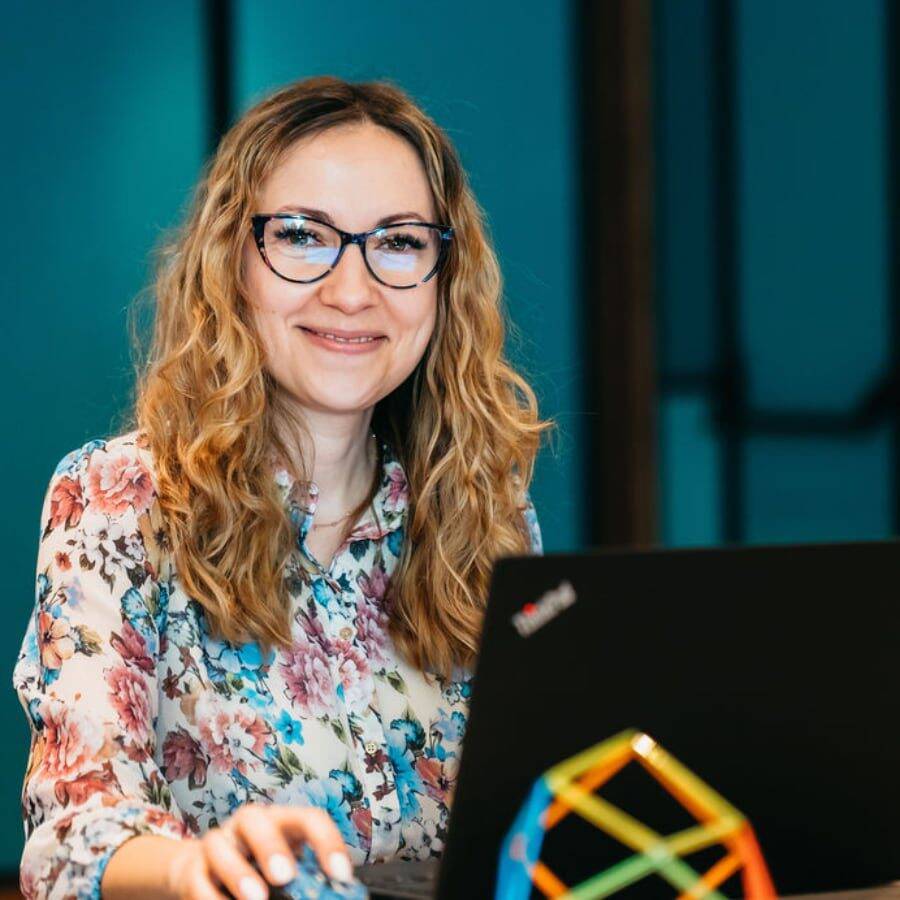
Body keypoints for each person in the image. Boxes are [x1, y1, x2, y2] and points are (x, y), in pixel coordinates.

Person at [12, 75, 552, 900]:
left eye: (399, 242)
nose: (353, 289)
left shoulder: (490, 512)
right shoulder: (119, 496)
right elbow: (71, 839)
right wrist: (196, 867)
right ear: (233, 261)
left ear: (445, 278)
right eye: (303, 236)